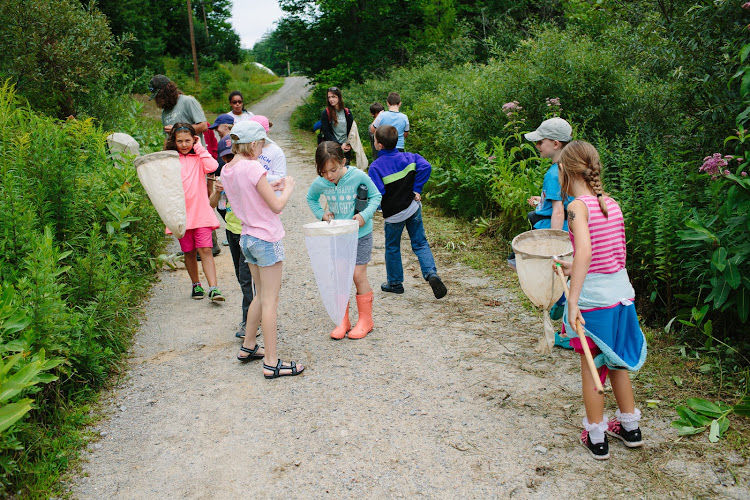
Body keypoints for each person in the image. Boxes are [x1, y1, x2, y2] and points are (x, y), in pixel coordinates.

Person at [553, 141, 646, 461]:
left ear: (565, 170)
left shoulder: (577, 207)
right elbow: (606, 255)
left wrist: (574, 300)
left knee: (593, 367)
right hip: (621, 296)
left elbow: (588, 253)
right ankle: (631, 428)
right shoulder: (611, 203)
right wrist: (572, 265)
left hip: (595, 301)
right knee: (616, 362)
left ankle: (596, 436)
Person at [220, 121, 303, 379]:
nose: (262, 149)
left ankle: (248, 346)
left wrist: (273, 186)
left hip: (247, 238)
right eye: (261, 144)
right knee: (270, 301)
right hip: (266, 238)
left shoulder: (227, 169)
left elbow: (251, 193)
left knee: (259, 295)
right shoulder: (253, 166)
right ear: (254, 144)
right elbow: (276, 207)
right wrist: (287, 188)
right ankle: (271, 361)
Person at [306, 141, 382, 339]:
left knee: (357, 274)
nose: (329, 176)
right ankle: (343, 320)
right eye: (324, 172)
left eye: (333, 169)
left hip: (360, 234)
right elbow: (311, 198)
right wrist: (322, 215)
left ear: (343, 162)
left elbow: (376, 197)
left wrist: (364, 215)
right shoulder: (321, 183)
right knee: (340, 276)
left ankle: (366, 320)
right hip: (338, 236)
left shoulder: (356, 175)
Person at [368, 125, 447, 299]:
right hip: (412, 209)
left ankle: (395, 283)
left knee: (392, 247)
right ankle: (431, 274)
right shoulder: (410, 157)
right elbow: (426, 167)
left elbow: (377, 193)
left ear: (379, 145)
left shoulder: (375, 167)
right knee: (420, 243)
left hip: (394, 216)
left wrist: (380, 207)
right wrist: (417, 189)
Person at [164, 123, 224, 302]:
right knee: (189, 251)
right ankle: (196, 284)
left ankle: (213, 288)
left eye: (188, 141)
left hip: (200, 212)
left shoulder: (198, 157)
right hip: (181, 214)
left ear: (194, 140)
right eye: (180, 141)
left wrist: (198, 147)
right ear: (174, 142)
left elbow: (213, 165)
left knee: (205, 249)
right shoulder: (169, 159)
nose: (184, 145)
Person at [209, 138, 255, 340]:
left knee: (246, 279)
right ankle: (255, 313)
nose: (229, 159)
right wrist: (217, 192)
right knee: (240, 276)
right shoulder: (223, 176)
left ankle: (249, 322)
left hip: (248, 232)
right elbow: (211, 204)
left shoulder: (246, 173)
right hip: (231, 230)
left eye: (232, 154)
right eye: (226, 156)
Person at [318, 87, 353, 163]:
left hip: (346, 147)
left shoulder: (347, 112)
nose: (331, 99)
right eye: (329, 97)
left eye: (333, 97)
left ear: (339, 98)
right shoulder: (326, 113)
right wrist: (339, 146)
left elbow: (351, 130)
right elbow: (327, 132)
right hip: (332, 148)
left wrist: (348, 144)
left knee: (346, 170)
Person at [249, 115, 287, 185]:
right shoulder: (246, 148)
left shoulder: (276, 151)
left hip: (272, 192)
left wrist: (258, 177)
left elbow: (281, 177)